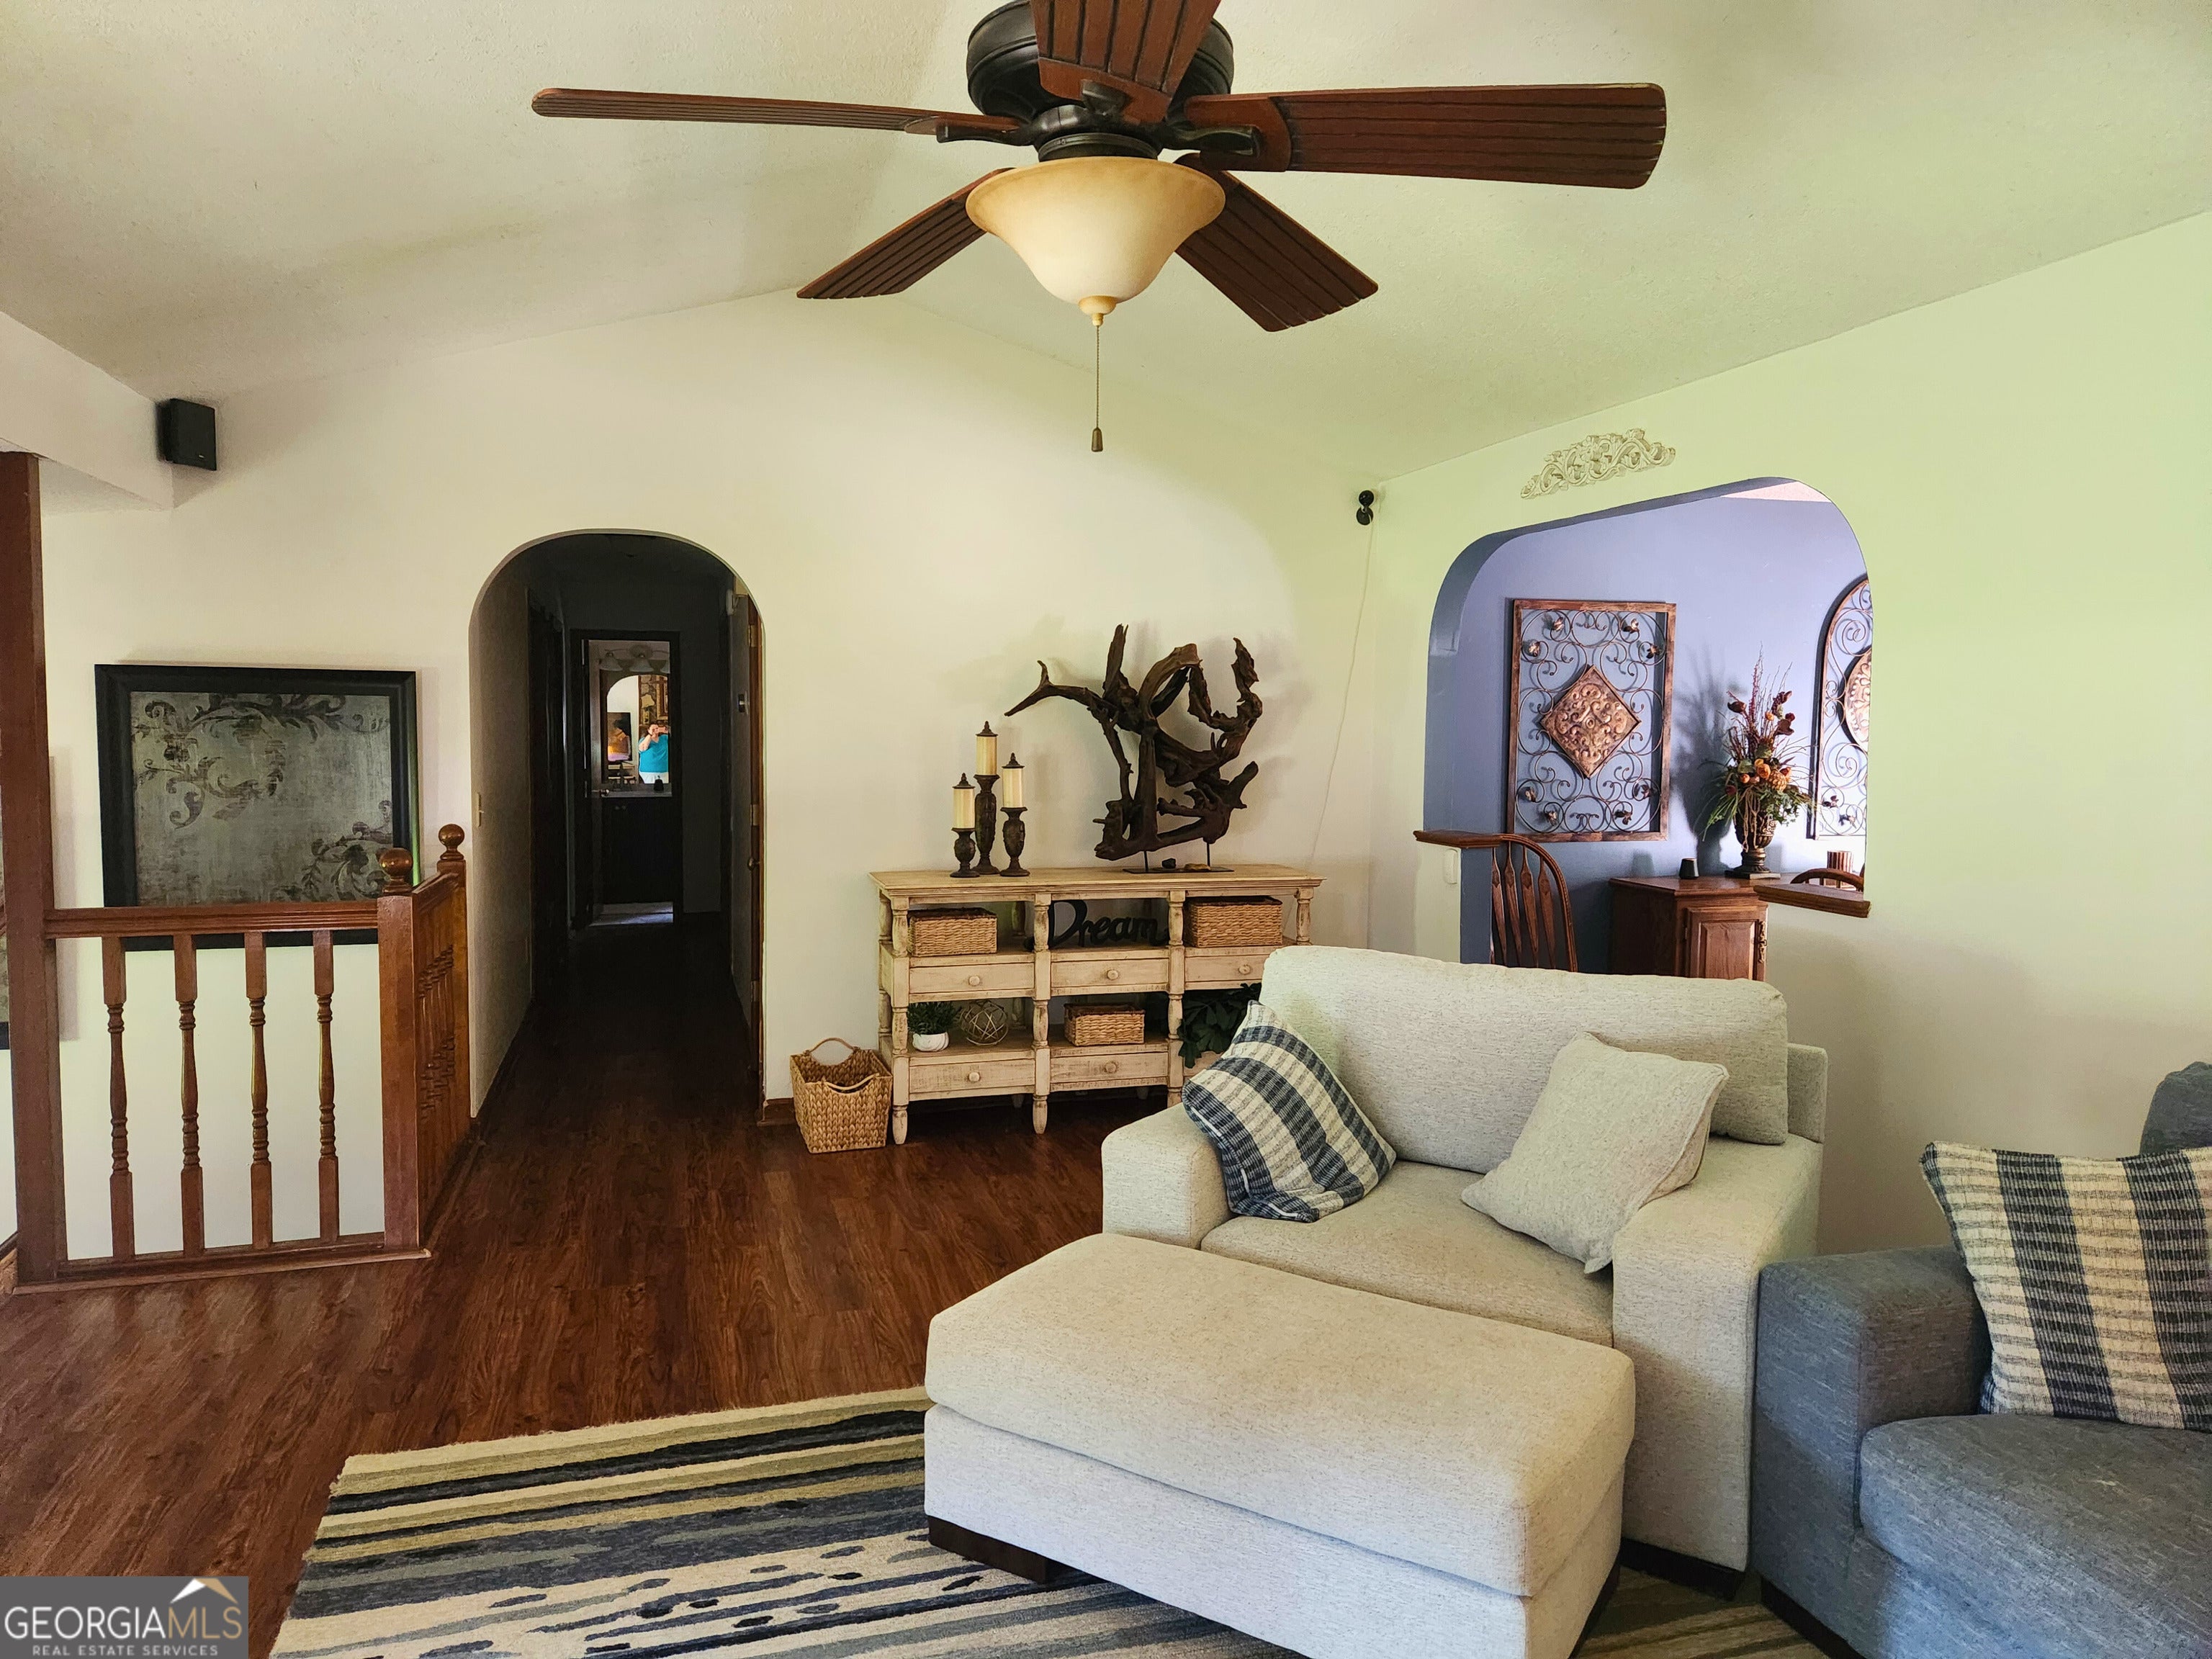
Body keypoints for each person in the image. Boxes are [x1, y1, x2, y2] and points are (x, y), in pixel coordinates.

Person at [637, 721, 670, 786]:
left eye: (657, 729)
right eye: (653, 729)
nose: (655, 731)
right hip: (649, 772)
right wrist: (650, 735)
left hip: (664, 771)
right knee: (651, 789)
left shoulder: (664, 738)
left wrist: (665, 730)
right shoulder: (644, 740)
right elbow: (643, 748)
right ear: (648, 730)